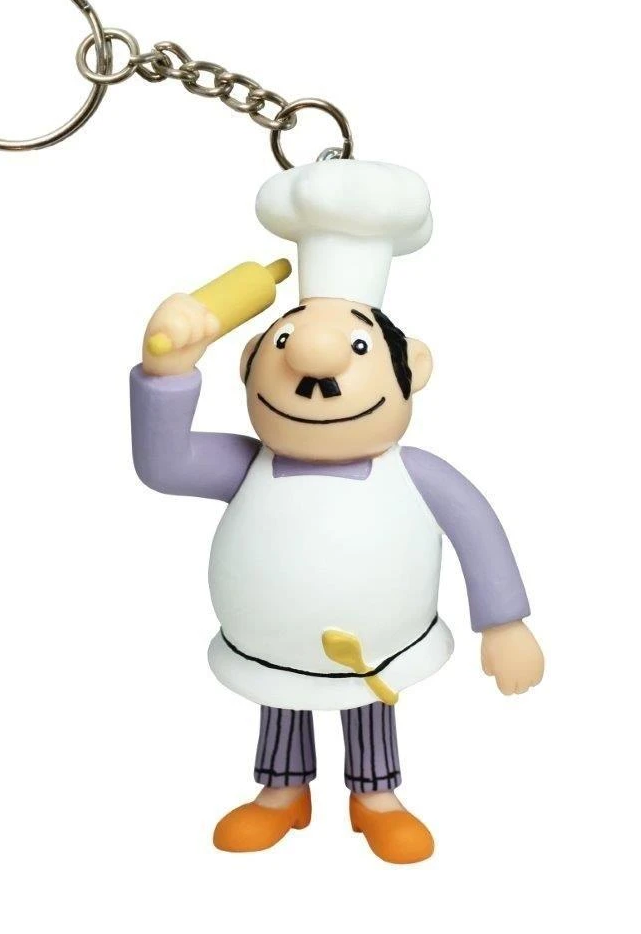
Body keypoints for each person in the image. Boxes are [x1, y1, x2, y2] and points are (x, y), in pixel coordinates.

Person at [130, 159, 544, 862]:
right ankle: (281, 793)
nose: (313, 368)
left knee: (371, 699)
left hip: (384, 645)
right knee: (282, 700)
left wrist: (504, 624)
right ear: (249, 362)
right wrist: (167, 373)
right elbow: (163, 466)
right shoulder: (246, 466)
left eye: (357, 347)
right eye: (282, 345)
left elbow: (477, 530)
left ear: (413, 369)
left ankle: (375, 797)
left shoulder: (414, 475)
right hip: (270, 648)